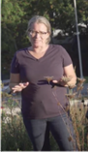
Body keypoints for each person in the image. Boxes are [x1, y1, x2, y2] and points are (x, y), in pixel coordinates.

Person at [9, 15, 78, 152]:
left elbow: (73, 80)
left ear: (48, 34)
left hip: (60, 113)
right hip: (33, 115)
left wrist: (64, 82)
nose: (37, 36)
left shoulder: (59, 51)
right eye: (33, 31)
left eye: (42, 32)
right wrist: (17, 87)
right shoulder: (20, 56)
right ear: (28, 33)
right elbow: (12, 84)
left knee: (70, 149)